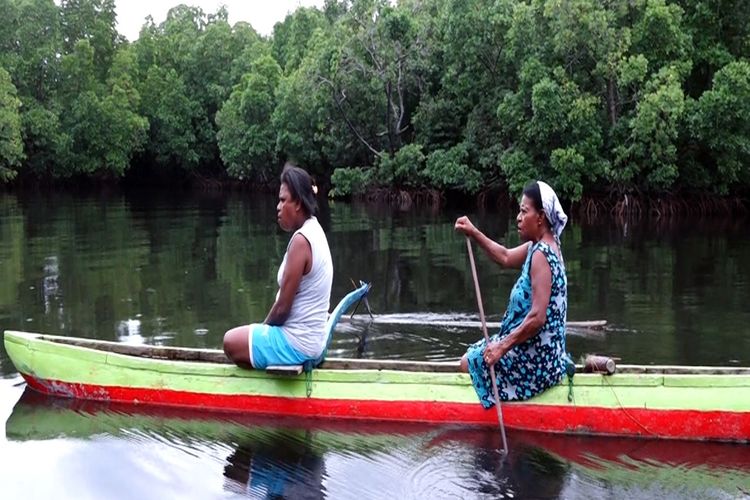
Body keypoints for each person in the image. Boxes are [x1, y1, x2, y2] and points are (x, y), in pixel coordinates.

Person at [454, 180, 568, 407]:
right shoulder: (539, 246)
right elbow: (505, 256)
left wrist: (502, 347)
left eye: (524, 211)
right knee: (474, 354)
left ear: (541, 217)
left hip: (536, 362)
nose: (518, 217)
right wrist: (474, 232)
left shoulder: (541, 255)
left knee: (469, 362)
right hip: (535, 350)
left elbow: (537, 319)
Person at [223, 164, 333, 369]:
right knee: (246, 338)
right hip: (312, 343)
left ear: (298, 203)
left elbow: (282, 309)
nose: (278, 207)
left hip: (297, 344)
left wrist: (263, 331)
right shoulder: (315, 230)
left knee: (230, 342)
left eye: (283, 200)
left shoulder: (301, 242)